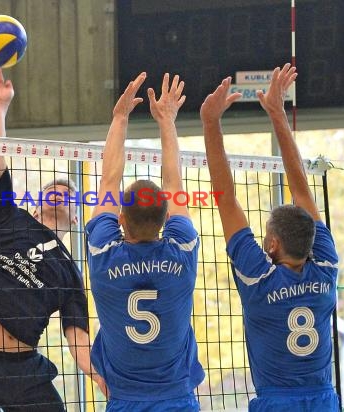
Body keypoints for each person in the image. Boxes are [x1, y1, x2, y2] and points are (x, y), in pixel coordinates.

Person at [0, 67, 106, 411]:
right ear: (36, 208)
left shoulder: (69, 274)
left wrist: (97, 373)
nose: (59, 194)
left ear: (77, 217)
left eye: (68, 195)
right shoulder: (11, 219)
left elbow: (77, 336)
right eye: (52, 190)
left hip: (26, 372)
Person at [200, 63, 339, 411]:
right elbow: (303, 190)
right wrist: (277, 114)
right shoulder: (325, 266)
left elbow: (226, 198)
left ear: (272, 244)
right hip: (324, 399)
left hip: (277, 402)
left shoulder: (257, 276)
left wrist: (210, 123)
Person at [85, 72, 205, 411]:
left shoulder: (103, 251)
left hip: (125, 401)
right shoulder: (182, 250)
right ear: (167, 219)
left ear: (120, 220)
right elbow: (174, 181)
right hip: (177, 400)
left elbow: (108, 181)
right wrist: (166, 120)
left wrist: (119, 117)